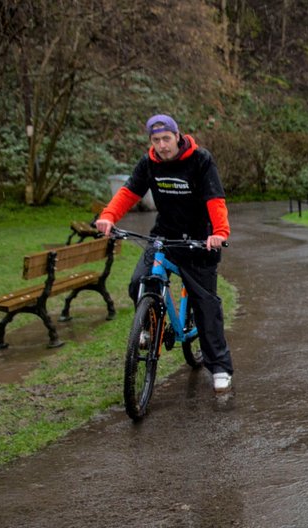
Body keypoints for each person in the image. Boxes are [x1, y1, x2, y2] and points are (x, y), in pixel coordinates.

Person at [95, 114, 234, 393]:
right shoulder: (149, 163)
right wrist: (108, 216)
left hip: (199, 241)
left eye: (166, 139)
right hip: (164, 236)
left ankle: (219, 366)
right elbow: (128, 193)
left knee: (206, 305)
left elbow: (214, 199)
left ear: (177, 136)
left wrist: (219, 232)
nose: (162, 145)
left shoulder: (200, 160)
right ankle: (147, 328)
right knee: (139, 282)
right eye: (156, 140)